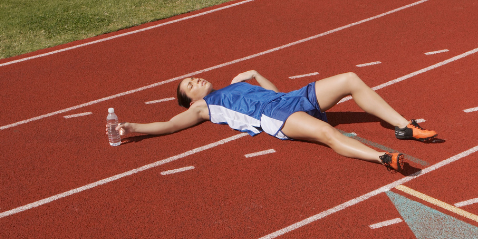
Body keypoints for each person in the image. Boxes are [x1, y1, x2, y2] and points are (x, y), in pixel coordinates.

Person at [112, 70, 437, 172]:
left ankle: (404, 126)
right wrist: (133, 127)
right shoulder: (203, 108)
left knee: (350, 79)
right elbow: (169, 125)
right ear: (191, 100)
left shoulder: (235, 85)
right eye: (189, 86)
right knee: (325, 131)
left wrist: (255, 74)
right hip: (276, 117)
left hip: (287, 99)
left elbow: (275, 92)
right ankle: (381, 157)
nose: (195, 81)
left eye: (194, 77)